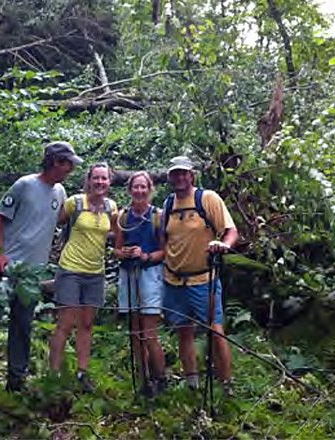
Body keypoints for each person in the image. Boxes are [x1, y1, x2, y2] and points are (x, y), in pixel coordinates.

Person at [0, 141, 82, 397]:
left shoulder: (60, 192)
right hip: (8, 268)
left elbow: (59, 219)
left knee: (23, 325)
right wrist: (1, 253)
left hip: (33, 274)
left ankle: (16, 381)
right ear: (55, 162)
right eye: (68, 163)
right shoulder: (25, 185)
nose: (70, 169)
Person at [161, 156, 238, 395]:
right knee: (183, 330)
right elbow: (164, 238)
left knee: (215, 330)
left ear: (192, 175)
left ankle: (227, 385)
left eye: (184, 173)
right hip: (174, 279)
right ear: (170, 178)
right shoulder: (168, 204)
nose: (180, 178)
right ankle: (192, 382)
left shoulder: (207, 199)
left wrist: (223, 245)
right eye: (175, 174)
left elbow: (231, 231)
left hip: (203, 278)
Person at [48, 163, 117, 392]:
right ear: (88, 180)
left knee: (87, 324)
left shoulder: (111, 208)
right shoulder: (75, 203)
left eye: (104, 179)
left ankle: (81, 372)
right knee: (65, 323)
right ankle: (54, 374)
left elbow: (117, 235)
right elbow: (52, 224)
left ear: (109, 182)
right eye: (96, 178)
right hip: (70, 270)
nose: (100, 182)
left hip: (95, 273)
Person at [114, 171, 167, 396]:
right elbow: (116, 249)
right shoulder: (122, 217)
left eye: (143, 187)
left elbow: (164, 251)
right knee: (135, 331)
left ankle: (160, 378)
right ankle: (143, 378)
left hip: (150, 274)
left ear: (150, 189)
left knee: (149, 331)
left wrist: (145, 255)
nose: (139, 191)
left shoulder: (158, 215)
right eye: (135, 187)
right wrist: (123, 253)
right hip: (128, 274)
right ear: (129, 189)